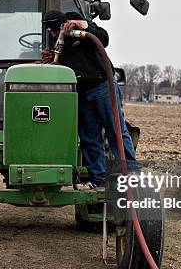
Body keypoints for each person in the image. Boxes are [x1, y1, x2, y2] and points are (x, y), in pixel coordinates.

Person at [41, 10, 139, 189]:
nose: (54, 33)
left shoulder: (82, 27)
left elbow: (104, 38)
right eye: (50, 30)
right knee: (89, 137)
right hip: (80, 91)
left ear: (63, 23)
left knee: (115, 129)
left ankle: (131, 174)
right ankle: (97, 179)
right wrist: (52, 59)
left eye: (55, 28)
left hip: (102, 85)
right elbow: (66, 64)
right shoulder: (56, 40)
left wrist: (83, 25)